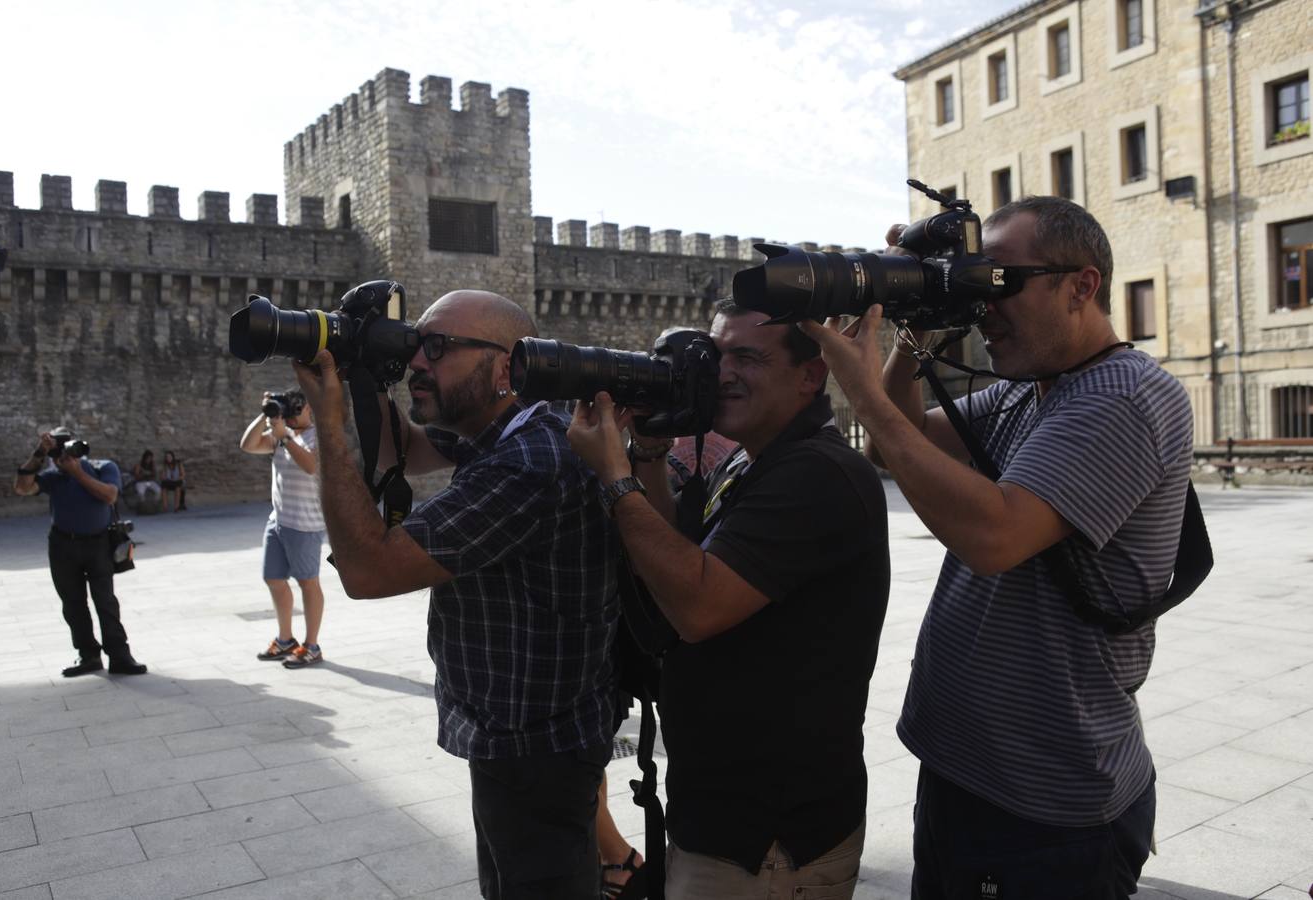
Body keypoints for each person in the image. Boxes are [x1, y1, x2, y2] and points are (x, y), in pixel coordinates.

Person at [801, 196, 1193, 898]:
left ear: (1081, 286)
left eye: (1002, 283)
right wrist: (917, 327)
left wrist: (859, 393)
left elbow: (995, 536)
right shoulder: (1030, 391)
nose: (987, 305)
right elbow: (910, 440)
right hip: (968, 772)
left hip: (1046, 802)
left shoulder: (1126, 395)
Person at [292, 290, 620, 900]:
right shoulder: (508, 429)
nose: (419, 361)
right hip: (522, 737)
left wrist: (329, 427)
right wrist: (363, 368)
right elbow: (403, 448)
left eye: (438, 348)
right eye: (417, 345)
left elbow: (367, 572)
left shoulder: (528, 462)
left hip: (536, 748)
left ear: (505, 366)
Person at [567, 298, 891, 900]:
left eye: (748, 356)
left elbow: (697, 605)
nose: (722, 373)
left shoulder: (819, 472)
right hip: (722, 816)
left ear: (810, 375)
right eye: (716, 355)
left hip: (769, 837)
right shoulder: (749, 459)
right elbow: (678, 555)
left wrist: (615, 480)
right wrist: (648, 451)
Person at [12, 427, 147, 677]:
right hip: (63, 545)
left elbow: (109, 495)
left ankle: (119, 656)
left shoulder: (103, 467)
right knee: (73, 604)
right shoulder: (53, 476)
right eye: (55, 454)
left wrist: (77, 473)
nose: (62, 459)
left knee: (105, 601)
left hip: (98, 544)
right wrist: (38, 453)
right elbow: (22, 487)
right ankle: (88, 656)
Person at [239, 389, 327, 668]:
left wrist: (285, 436)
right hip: (278, 520)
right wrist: (267, 414)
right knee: (274, 579)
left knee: (308, 582)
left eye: (296, 409)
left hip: (305, 524)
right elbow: (248, 445)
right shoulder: (280, 433)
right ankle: (286, 639)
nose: (292, 414)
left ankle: (312, 645)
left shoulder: (318, 437)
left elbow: (311, 465)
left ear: (309, 409)